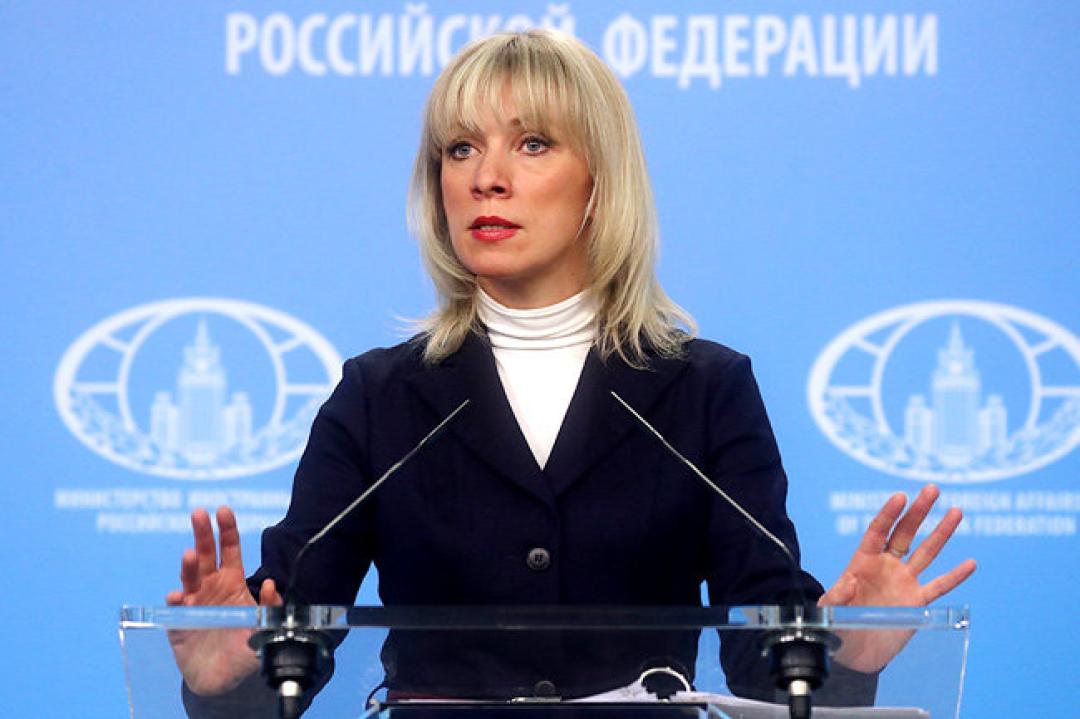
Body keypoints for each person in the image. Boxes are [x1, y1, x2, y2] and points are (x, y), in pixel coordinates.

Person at [167, 28, 976, 709]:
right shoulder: (379, 397)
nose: (486, 176)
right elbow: (289, 637)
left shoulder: (705, 390)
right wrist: (225, 674)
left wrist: (844, 654)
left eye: (532, 144)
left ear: (600, 181)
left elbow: (760, 655)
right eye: (460, 148)